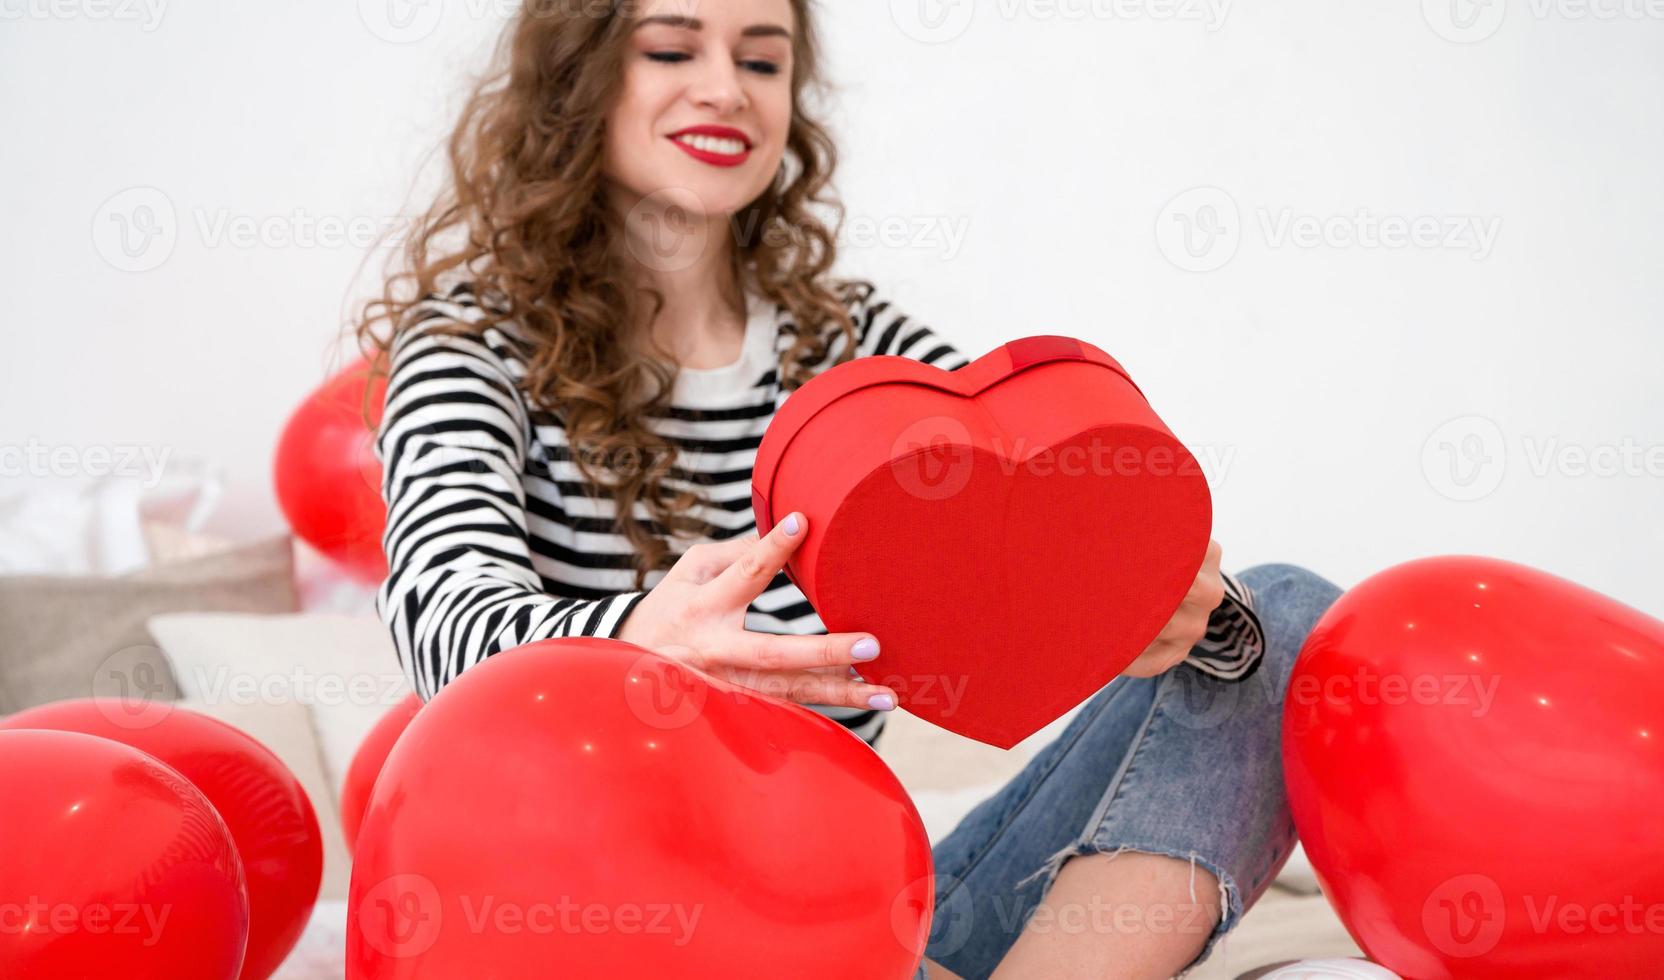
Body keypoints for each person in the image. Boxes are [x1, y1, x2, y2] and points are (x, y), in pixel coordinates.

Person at [356, 2, 1344, 976]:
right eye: (669, 48)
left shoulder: (853, 345)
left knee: (1287, 615)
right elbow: (447, 618)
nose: (722, 90)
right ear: (579, 75)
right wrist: (636, 648)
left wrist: (1148, 601)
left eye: (761, 61)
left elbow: (1021, 515)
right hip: (618, 911)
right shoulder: (468, 345)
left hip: (866, 907)